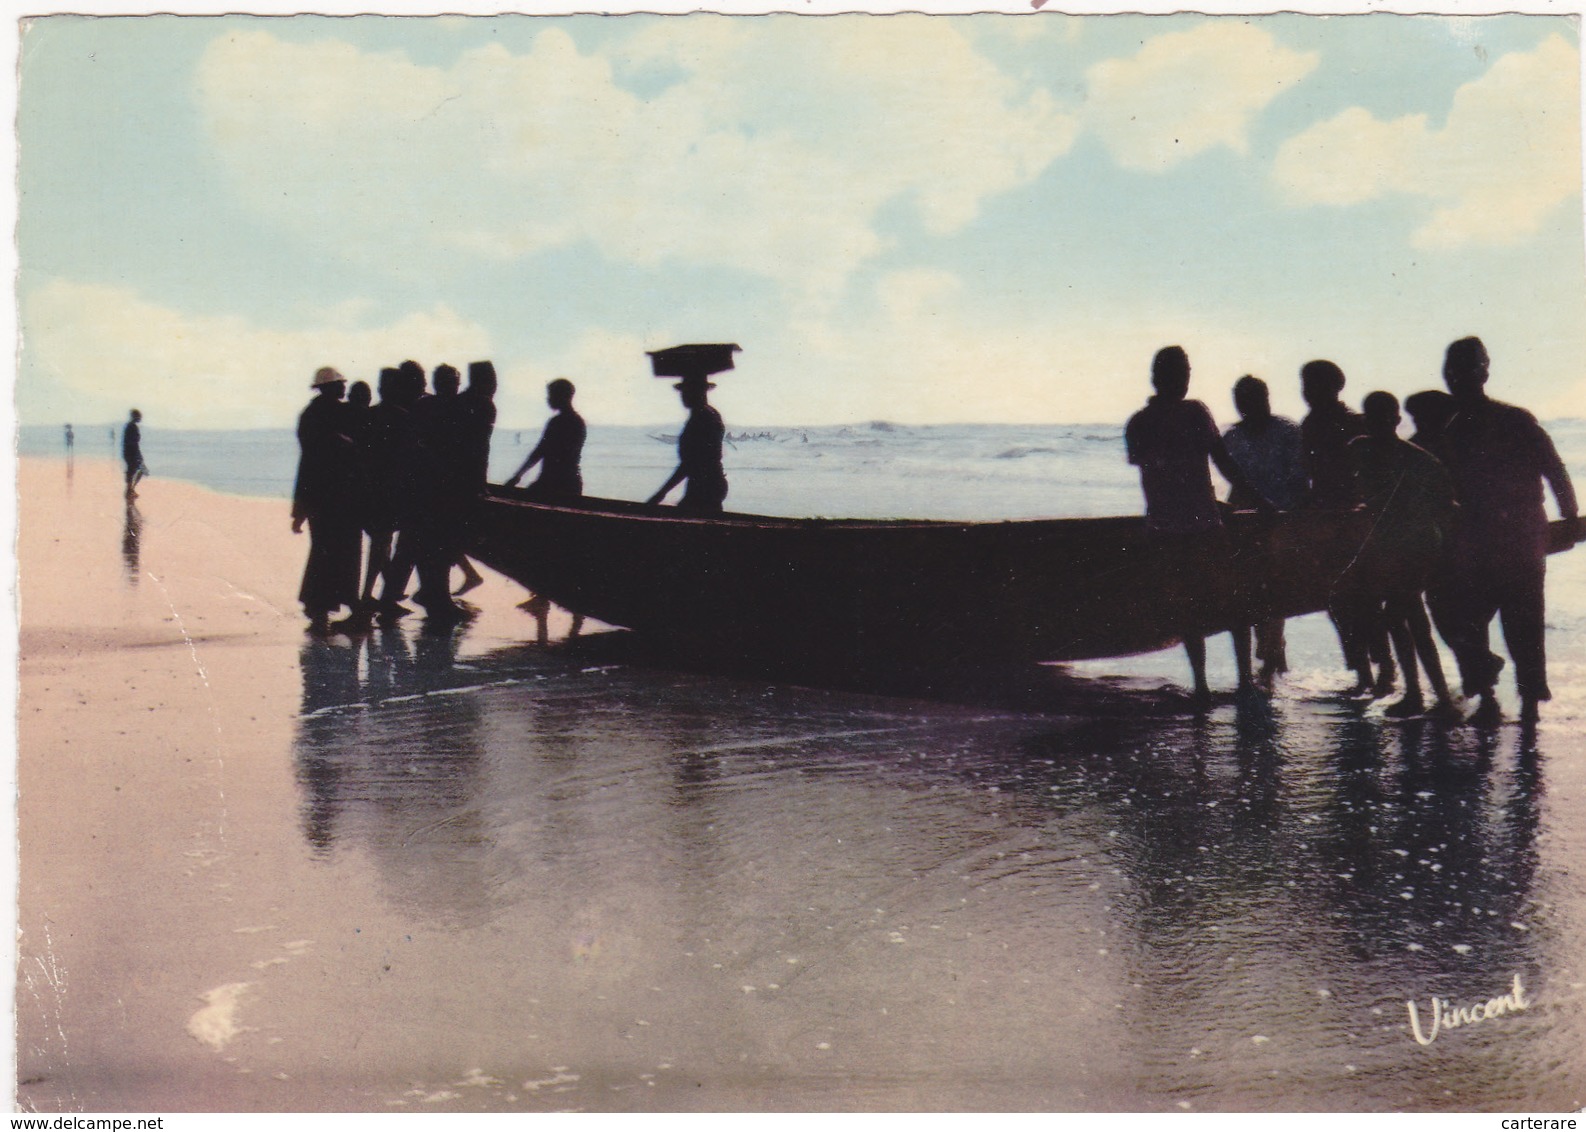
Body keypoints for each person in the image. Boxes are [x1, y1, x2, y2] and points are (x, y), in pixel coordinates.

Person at [1435, 336, 1579, 725]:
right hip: (1485, 537)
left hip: (1514, 535)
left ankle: (1518, 703)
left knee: (1520, 625)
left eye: (1464, 370)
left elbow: (1553, 467)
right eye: (1451, 371)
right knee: (1476, 621)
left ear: (1483, 373)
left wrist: (1569, 515)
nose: (1456, 378)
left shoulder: (1512, 419)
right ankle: (1495, 699)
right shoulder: (1449, 427)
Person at [1124, 346, 1269, 706]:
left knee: (1189, 609)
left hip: (1164, 527)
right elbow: (1223, 463)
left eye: (1186, 371)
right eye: (1181, 372)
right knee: (1234, 604)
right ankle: (1244, 682)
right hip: (1203, 524)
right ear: (1163, 377)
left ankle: (1203, 685)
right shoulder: (1194, 412)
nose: (1186, 378)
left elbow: (1152, 474)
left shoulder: (1139, 421)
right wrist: (1261, 502)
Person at [1347, 392, 1458, 719]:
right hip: (1388, 545)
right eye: (1371, 419)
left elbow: (1445, 504)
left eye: (1385, 419)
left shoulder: (1418, 459)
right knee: (1405, 619)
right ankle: (1425, 695)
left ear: (1397, 421)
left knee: (1405, 617)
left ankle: (1430, 697)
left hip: (1416, 544)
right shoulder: (1361, 449)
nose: (1378, 425)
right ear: (1365, 420)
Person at [1298, 360, 1393, 696]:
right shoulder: (1310, 425)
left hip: (1356, 521)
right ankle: (1365, 673)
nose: (1307, 392)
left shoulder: (1355, 424)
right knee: (1338, 602)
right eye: (1305, 385)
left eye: (1312, 385)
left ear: (1334, 387)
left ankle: (1384, 670)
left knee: (1363, 599)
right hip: (1326, 520)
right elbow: (1308, 475)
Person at [1221, 375, 1305, 686]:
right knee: (1250, 587)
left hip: (1279, 517)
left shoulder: (1287, 431)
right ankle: (1271, 653)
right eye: (1241, 400)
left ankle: (1272, 655)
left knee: (1274, 587)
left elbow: (1299, 477)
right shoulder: (1232, 437)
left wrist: (1293, 515)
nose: (1247, 406)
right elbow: (1231, 480)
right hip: (1244, 518)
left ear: (1266, 398)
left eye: (1254, 398)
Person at [291, 367, 362, 634]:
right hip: (332, 496)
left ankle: (318, 607)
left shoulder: (311, 415)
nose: (343, 388)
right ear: (329, 388)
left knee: (323, 552)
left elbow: (308, 459)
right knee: (335, 552)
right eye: (339, 385)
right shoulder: (328, 414)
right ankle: (323, 607)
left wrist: (300, 508)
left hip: (318, 495)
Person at [648, 373, 727, 514]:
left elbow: (690, 463)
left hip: (705, 486)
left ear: (699, 392)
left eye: (687, 391)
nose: (683, 396)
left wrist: (662, 492)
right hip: (709, 484)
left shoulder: (703, 417)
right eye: (683, 392)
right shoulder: (708, 414)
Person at [505, 378, 585, 501]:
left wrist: (517, 476)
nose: (548, 399)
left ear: (560, 396)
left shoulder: (557, 422)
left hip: (552, 482)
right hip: (571, 482)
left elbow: (539, 451)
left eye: (551, 395)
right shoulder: (578, 422)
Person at [122, 410, 147, 499]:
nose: (140, 418)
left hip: (129, 453)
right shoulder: (132, 427)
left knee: (134, 471)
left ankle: (130, 490)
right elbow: (133, 443)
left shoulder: (130, 426)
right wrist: (138, 455)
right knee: (136, 471)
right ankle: (130, 490)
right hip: (131, 453)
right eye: (139, 417)